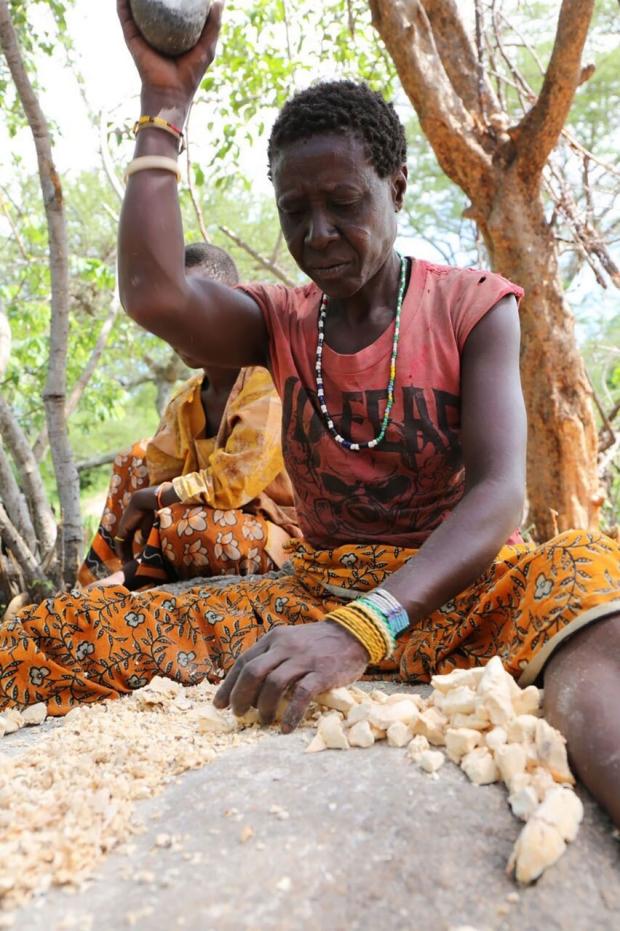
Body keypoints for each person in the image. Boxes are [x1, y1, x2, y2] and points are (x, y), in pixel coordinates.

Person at [0, 0, 618, 832]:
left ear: (395, 187)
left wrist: (365, 628)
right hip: (314, 596)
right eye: (297, 212)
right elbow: (153, 292)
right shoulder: (280, 320)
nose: (319, 233)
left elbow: (501, 494)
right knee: (51, 638)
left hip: (467, 591)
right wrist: (166, 106)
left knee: (589, 586)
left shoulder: (473, 306)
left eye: (344, 202)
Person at [78, 242, 299, 591]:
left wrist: (148, 498)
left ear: (228, 303)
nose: (179, 325)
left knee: (191, 526)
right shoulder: (186, 400)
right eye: (170, 313)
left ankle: (141, 572)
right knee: (133, 460)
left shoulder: (267, 384)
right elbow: (162, 477)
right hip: (191, 528)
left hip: (275, 539)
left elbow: (232, 486)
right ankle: (113, 577)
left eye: (192, 307)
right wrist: (149, 499)